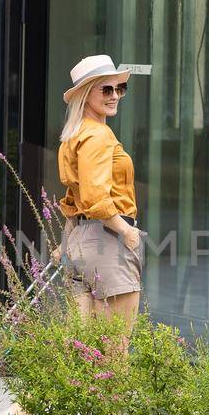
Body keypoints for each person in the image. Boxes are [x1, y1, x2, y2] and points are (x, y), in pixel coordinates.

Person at [57, 53, 144, 319]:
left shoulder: (74, 136)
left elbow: (75, 198)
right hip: (107, 239)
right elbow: (95, 197)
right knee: (115, 350)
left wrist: (65, 245)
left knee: (84, 349)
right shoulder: (97, 135)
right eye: (106, 89)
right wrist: (126, 232)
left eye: (120, 88)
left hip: (81, 242)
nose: (115, 95)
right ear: (85, 94)